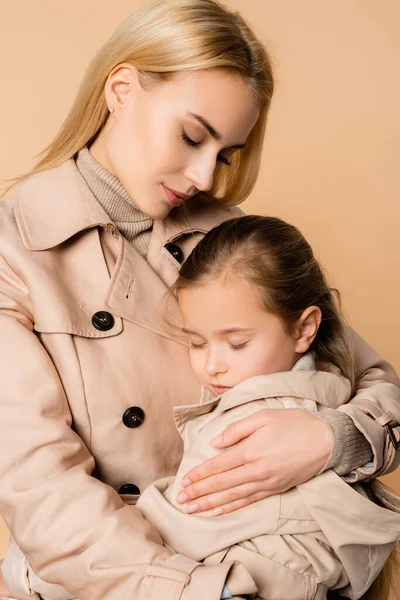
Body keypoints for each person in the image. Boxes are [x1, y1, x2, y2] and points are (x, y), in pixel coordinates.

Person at [0, 1, 399, 599]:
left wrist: (330, 439)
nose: (206, 178)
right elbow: (41, 490)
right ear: (122, 89)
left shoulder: (232, 239)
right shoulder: (15, 250)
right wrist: (200, 590)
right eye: (192, 136)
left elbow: (373, 383)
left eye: (226, 154)